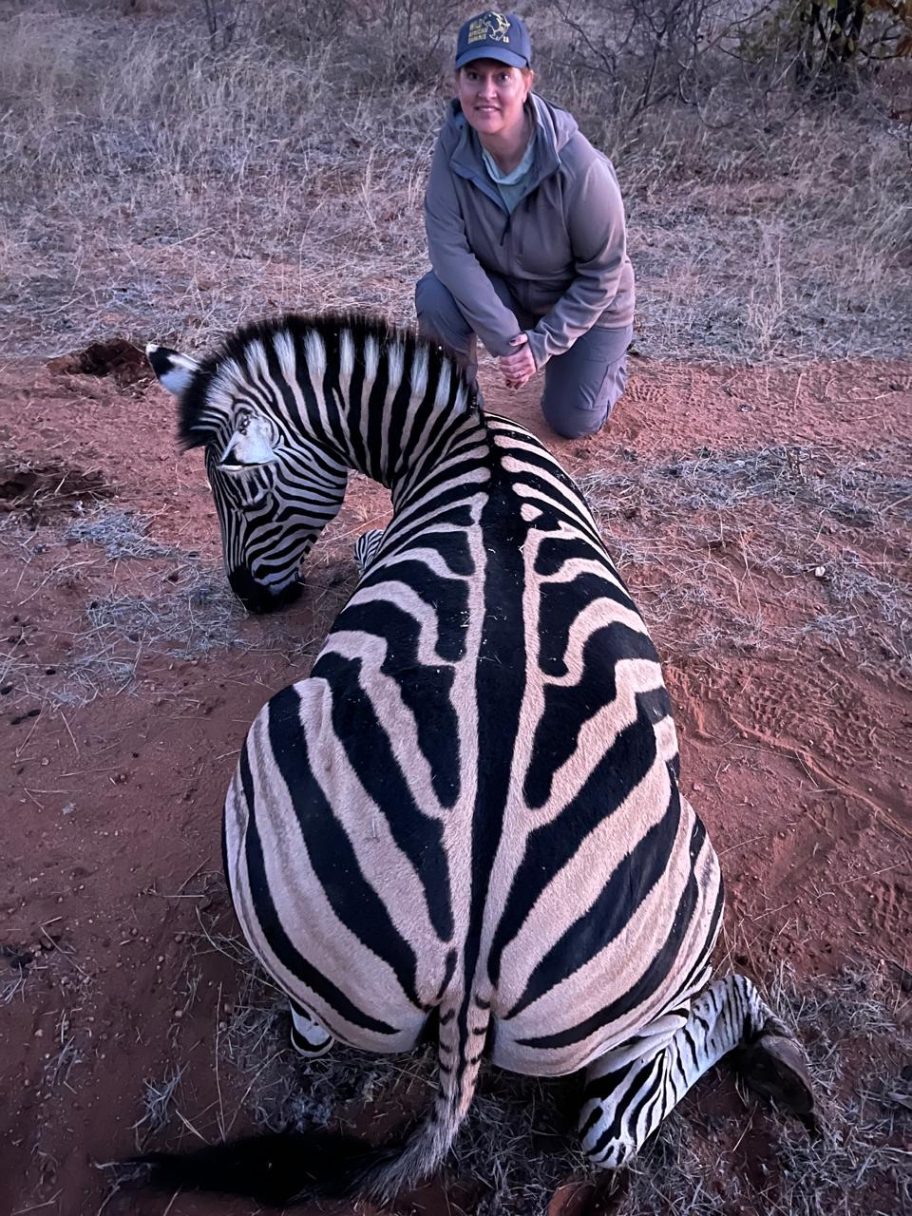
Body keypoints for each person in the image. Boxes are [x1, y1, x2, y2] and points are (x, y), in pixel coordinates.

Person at [416, 10, 635, 440]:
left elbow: (603, 270)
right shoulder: (453, 144)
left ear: (527, 81)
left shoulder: (579, 165)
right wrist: (510, 343)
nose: (487, 92)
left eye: (503, 76)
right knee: (435, 293)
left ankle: (607, 366)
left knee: (572, 420)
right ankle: (455, 411)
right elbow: (448, 249)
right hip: (510, 289)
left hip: (583, 303)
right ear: (458, 82)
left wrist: (541, 345)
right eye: (474, 76)